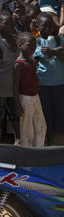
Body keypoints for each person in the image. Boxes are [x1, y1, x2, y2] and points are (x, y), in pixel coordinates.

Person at [33, 12, 64, 145]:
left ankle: (63, 140)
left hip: (60, 82)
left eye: (50, 26)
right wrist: (44, 52)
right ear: (37, 26)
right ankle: (47, 140)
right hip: (43, 83)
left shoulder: (58, 40)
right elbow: (34, 57)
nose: (47, 29)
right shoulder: (36, 41)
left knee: (62, 112)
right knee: (45, 114)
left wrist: (56, 51)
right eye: (44, 26)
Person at [13, 32, 45, 146]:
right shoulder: (19, 64)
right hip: (25, 99)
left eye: (34, 45)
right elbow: (15, 87)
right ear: (20, 45)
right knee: (27, 129)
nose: (33, 48)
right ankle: (28, 152)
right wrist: (17, 104)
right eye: (29, 45)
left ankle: (38, 150)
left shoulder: (33, 61)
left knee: (40, 125)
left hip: (35, 97)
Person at [0, 12, 20, 140]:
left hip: (16, 85)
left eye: (10, 23)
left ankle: (18, 139)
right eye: (5, 23)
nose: (8, 26)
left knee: (16, 114)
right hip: (2, 85)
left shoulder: (16, 37)